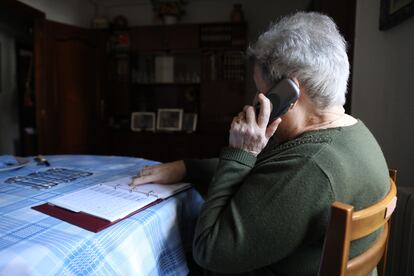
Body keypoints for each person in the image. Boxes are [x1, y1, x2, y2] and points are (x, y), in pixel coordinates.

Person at [130, 12, 389, 275]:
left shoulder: (308, 168)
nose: (256, 98)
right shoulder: (354, 133)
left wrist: (240, 152)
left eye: (261, 90)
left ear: (288, 93)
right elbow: (264, 170)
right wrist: (188, 167)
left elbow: (208, 251)